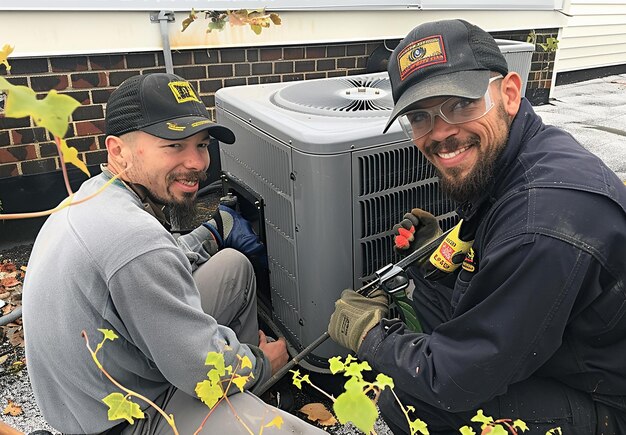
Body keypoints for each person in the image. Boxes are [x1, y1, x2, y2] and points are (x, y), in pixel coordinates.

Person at [327, 19, 626, 434]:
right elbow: (494, 289)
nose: (441, 133)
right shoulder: (521, 156)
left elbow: (453, 382)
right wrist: (433, 261)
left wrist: (369, 336)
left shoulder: (541, 221)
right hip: (559, 353)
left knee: (413, 402)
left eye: (462, 104)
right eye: (419, 116)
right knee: (429, 301)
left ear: (509, 93)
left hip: (603, 401)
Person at [22, 73, 325, 435]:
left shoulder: (93, 195)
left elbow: (157, 263)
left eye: (200, 144)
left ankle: (240, 394)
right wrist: (264, 362)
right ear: (118, 151)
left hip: (106, 380)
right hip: (130, 418)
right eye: (174, 146)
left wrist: (211, 234)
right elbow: (198, 366)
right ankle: (241, 395)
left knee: (233, 268)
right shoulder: (134, 238)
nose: (198, 162)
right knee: (286, 432)